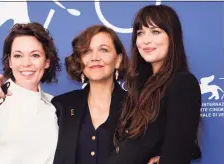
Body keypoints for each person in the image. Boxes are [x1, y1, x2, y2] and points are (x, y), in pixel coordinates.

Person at [106, 5, 201, 164]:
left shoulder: (182, 83)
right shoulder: (139, 86)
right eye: (140, 33)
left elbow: (177, 154)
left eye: (155, 32)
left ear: (172, 37)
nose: (146, 40)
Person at [0, 22, 62, 164]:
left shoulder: (55, 106)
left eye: (35, 55)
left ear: (47, 62)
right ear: (10, 61)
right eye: (18, 56)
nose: (26, 63)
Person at [52, 25, 130, 164]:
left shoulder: (137, 106)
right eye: (87, 51)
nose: (95, 57)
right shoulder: (61, 106)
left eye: (103, 50)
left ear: (118, 60)